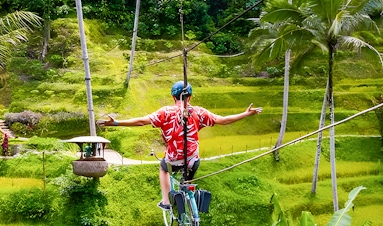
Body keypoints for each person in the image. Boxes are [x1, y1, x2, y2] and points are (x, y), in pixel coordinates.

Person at [98, 81, 262, 210]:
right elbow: (223, 120)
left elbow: (142, 121)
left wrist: (117, 123)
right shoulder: (199, 112)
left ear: (173, 97)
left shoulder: (166, 112)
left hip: (174, 159)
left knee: (163, 168)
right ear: (190, 97)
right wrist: (247, 113)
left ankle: (166, 202)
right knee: (188, 177)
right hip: (192, 160)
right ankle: (188, 196)